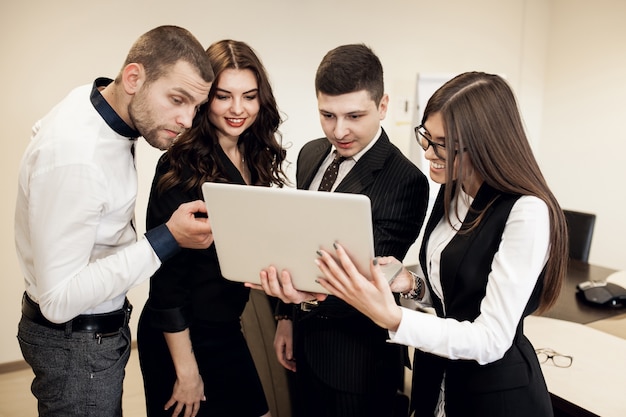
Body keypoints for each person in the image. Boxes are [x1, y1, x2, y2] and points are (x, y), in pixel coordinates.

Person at [314, 71, 569, 417]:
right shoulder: (453, 189)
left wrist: (394, 318)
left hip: (495, 395)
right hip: (436, 380)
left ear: (486, 142)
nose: (428, 152)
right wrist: (412, 284)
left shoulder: (526, 212)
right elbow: (461, 293)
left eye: (443, 143)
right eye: (426, 137)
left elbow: (491, 338)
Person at [14, 26, 215, 416]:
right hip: (76, 346)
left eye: (195, 106)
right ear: (134, 78)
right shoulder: (77, 155)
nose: (188, 120)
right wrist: (167, 239)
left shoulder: (93, 105)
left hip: (89, 338)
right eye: (177, 99)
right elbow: (58, 301)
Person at [255, 44, 429, 417]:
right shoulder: (310, 154)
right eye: (327, 115)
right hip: (304, 344)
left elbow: (370, 279)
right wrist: (286, 318)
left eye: (354, 115)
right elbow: (298, 245)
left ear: (382, 106)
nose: (339, 130)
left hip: (358, 362)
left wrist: (305, 297)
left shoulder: (406, 181)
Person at [137, 39, 288, 417]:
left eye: (249, 96)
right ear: (205, 99)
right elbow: (166, 283)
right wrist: (186, 372)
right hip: (180, 335)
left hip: (223, 325)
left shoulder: (254, 155)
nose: (238, 109)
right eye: (224, 96)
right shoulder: (179, 165)